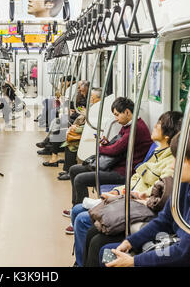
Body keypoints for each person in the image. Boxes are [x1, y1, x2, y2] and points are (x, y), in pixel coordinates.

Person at [100, 126, 190, 267]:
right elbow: (165, 220)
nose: (172, 166)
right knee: (106, 251)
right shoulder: (187, 182)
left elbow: (184, 254)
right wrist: (131, 242)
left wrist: (134, 262)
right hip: (176, 247)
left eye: (180, 159)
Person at [70, 111, 182, 266]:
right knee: (84, 218)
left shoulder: (168, 161)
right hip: (130, 196)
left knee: (85, 222)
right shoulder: (156, 151)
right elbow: (136, 180)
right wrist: (118, 192)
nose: (154, 126)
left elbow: (156, 197)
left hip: (136, 202)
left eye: (159, 124)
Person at [67, 97, 153, 209]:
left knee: (80, 179)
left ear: (127, 112)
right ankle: (75, 207)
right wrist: (107, 144)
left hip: (124, 173)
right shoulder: (128, 126)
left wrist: (100, 148)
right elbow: (118, 145)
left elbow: (114, 150)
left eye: (117, 115)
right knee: (74, 170)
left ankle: (82, 210)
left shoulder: (135, 128)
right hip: (116, 165)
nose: (116, 118)